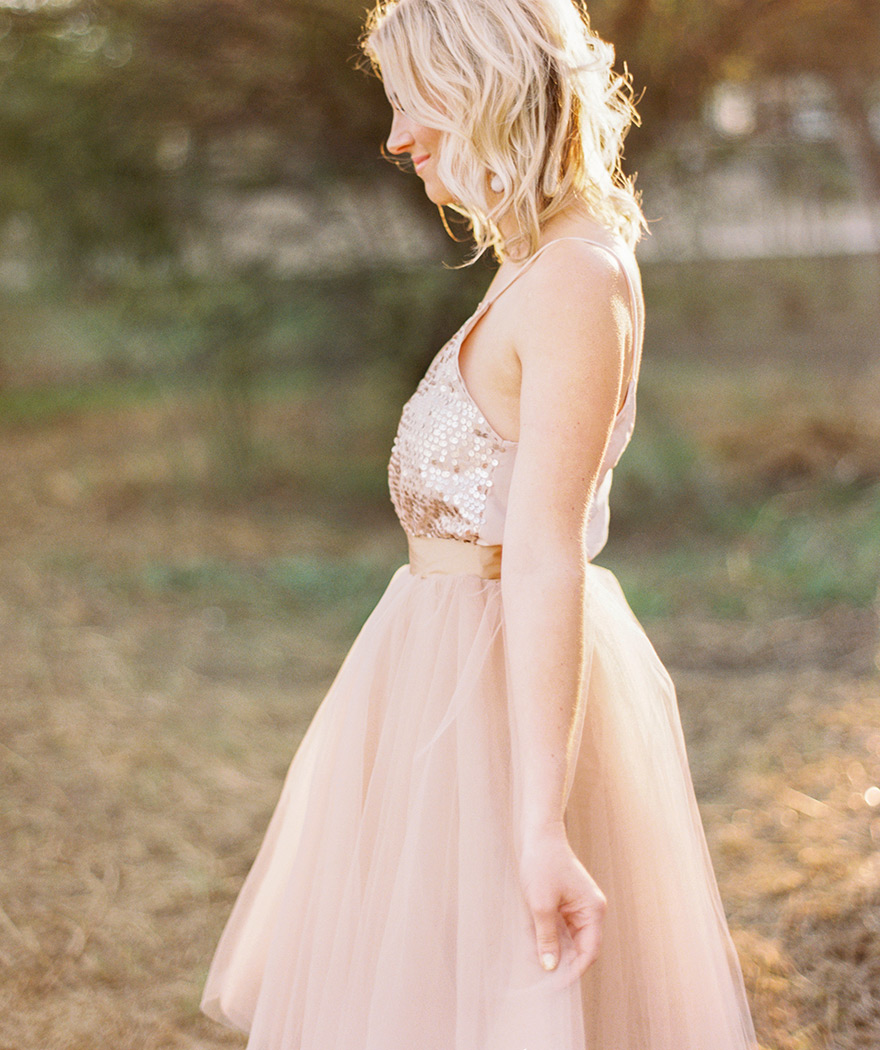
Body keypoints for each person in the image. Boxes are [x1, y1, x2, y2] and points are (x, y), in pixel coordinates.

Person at [201, 1, 758, 1047]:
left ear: (485, 88)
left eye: (414, 103)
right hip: (437, 671)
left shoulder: (577, 279)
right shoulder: (533, 263)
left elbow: (544, 552)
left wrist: (537, 825)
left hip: (497, 691)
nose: (397, 136)